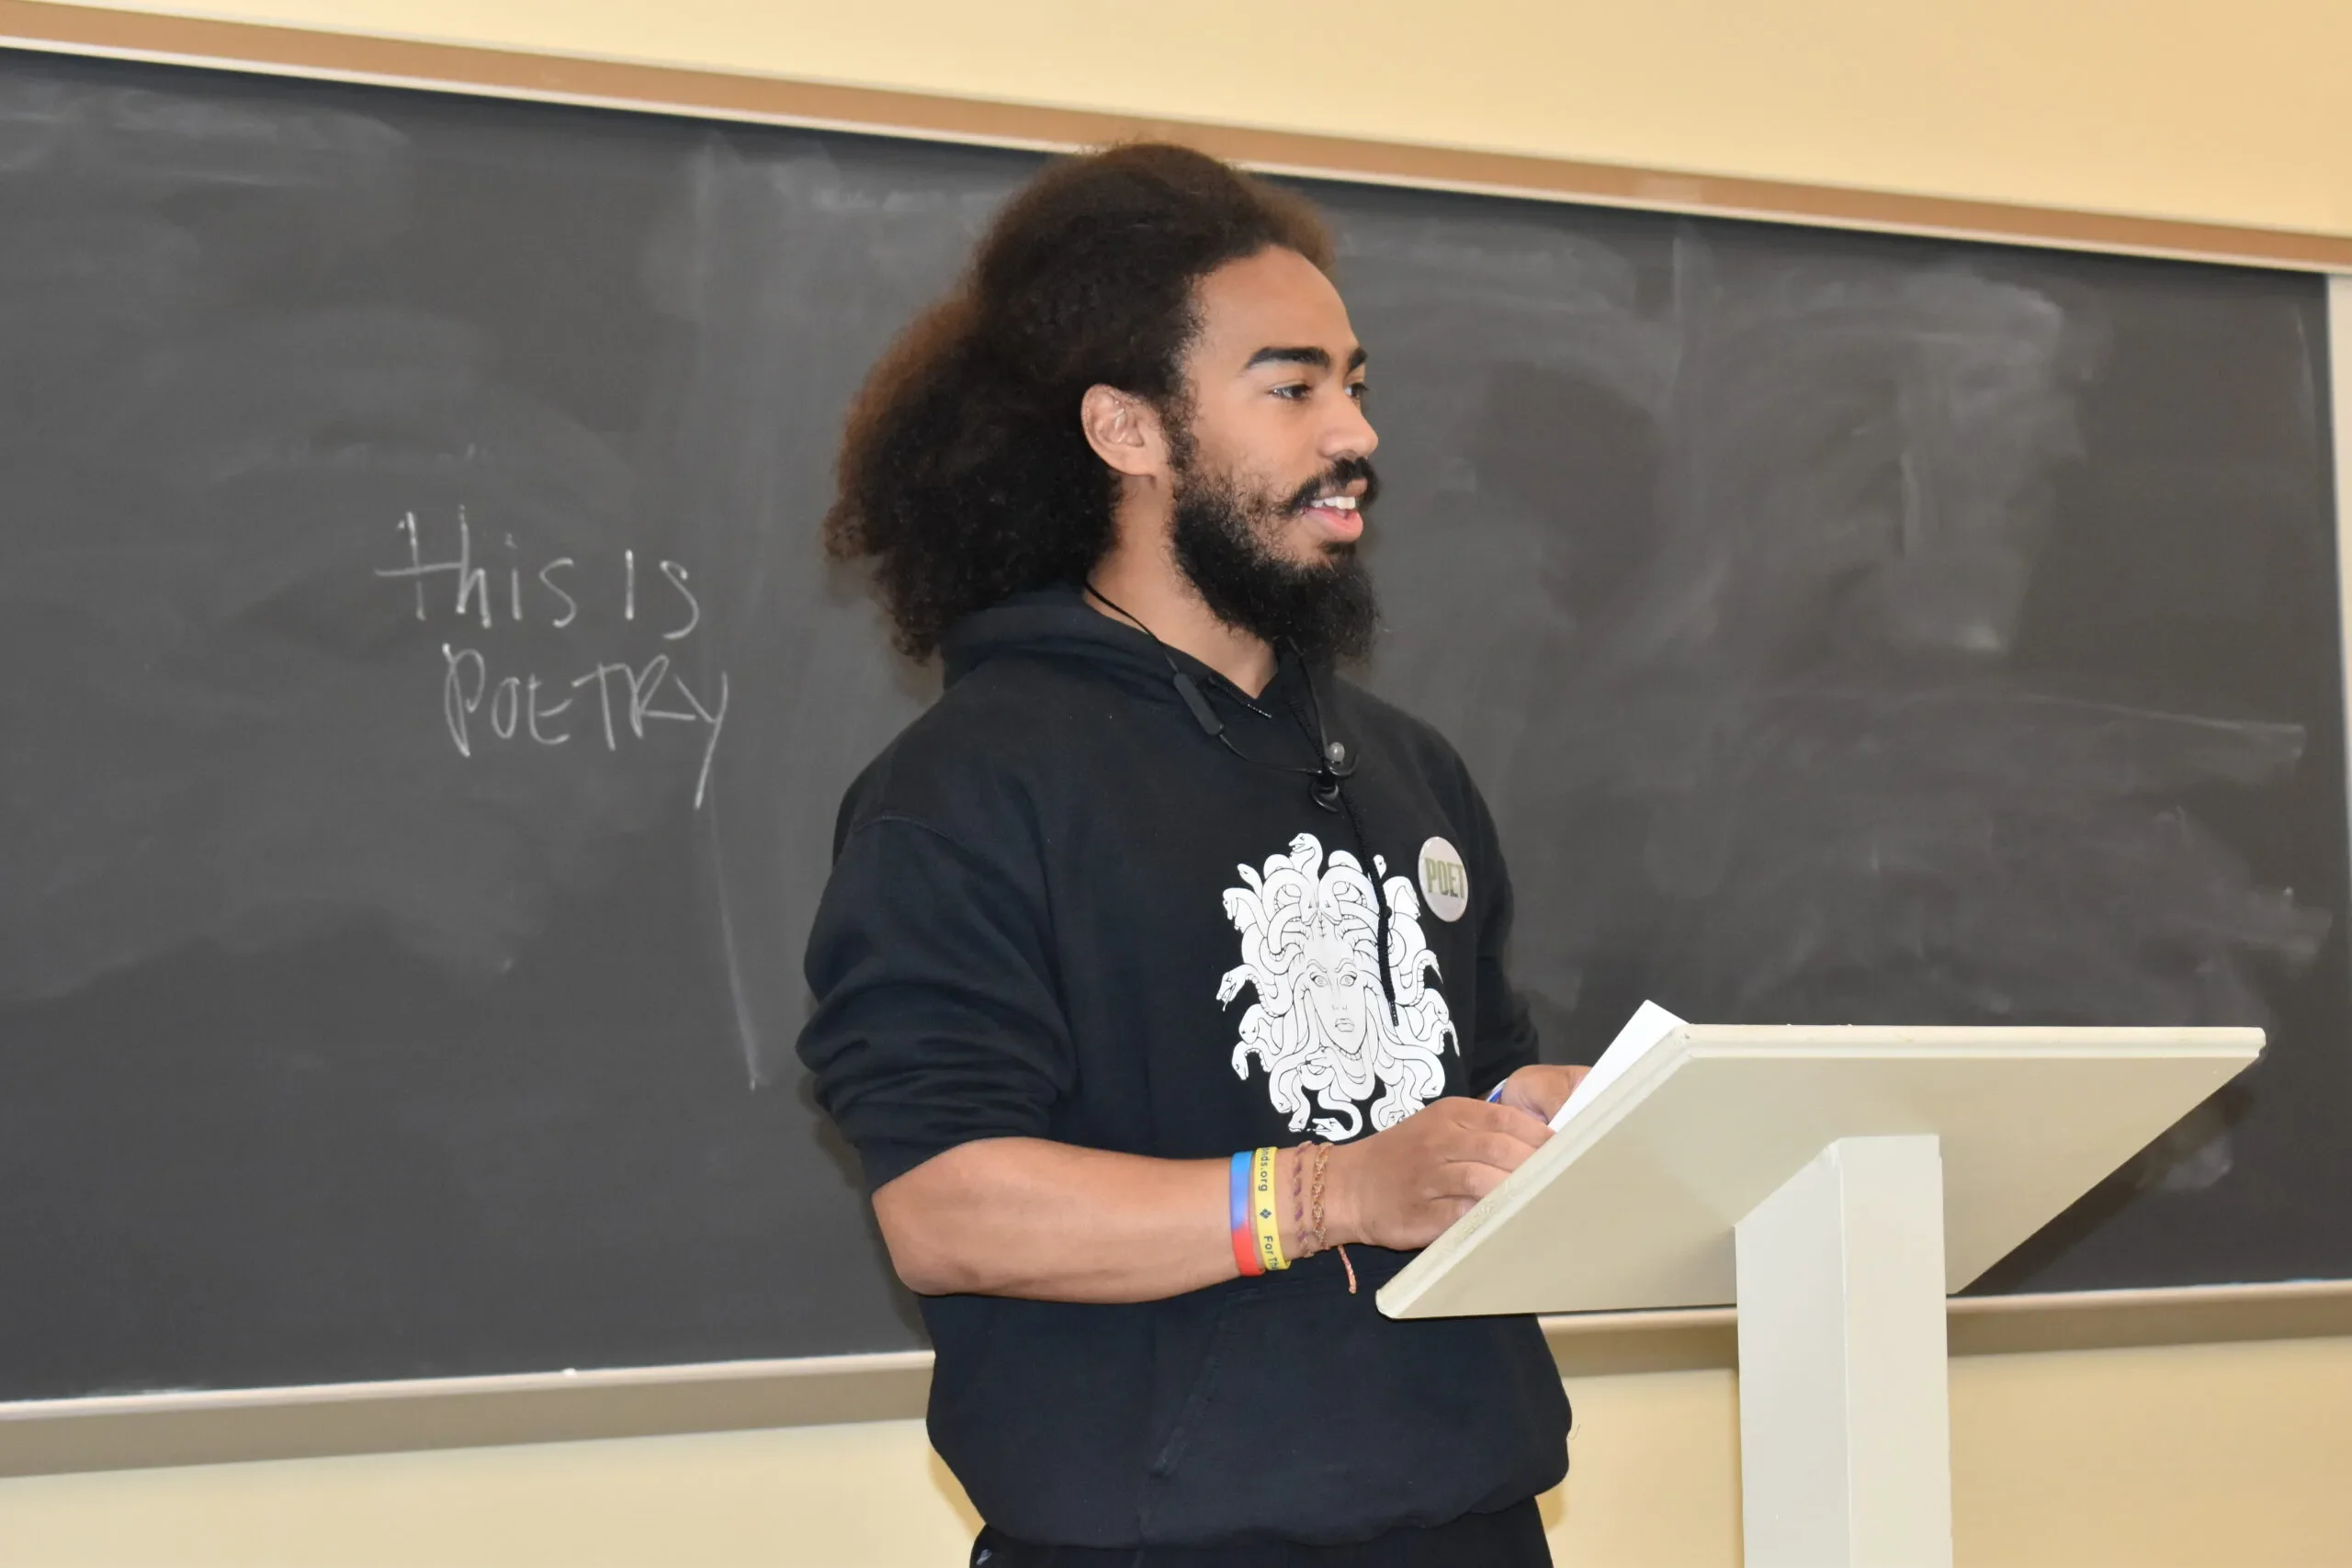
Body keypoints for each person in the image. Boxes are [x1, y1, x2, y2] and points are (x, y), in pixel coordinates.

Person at [797, 141, 1583, 1567]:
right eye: (1291, 388)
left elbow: (1453, 1109)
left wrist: (1543, 1124)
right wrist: (1333, 1190)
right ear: (1128, 431)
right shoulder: (967, 787)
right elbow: (947, 1206)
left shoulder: (1413, 768)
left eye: (1354, 384)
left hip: (1476, 1522)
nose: (1354, 435)